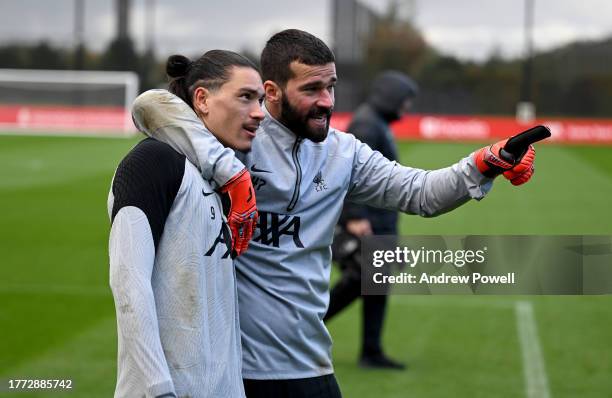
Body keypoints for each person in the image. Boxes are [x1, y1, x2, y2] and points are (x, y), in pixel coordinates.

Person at [132, 29, 537, 398]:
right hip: (235, 373)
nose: (326, 101)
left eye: (331, 86)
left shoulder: (344, 152)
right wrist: (231, 173)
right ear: (270, 91)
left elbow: (421, 193)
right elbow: (151, 106)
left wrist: (486, 162)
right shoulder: (232, 137)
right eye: (311, 89)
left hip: (310, 365)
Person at [108, 50, 264, 398]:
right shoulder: (152, 161)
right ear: (202, 99)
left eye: (261, 100)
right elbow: (128, 285)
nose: (259, 112)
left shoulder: (220, 175)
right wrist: (160, 389)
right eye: (246, 97)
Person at [324, 71, 418, 370]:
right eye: (404, 101)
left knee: (376, 284)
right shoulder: (367, 123)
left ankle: (371, 351)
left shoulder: (376, 122)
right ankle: (304, 327)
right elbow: (349, 171)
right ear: (390, 97)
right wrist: (355, 215)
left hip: (381, 221)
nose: (407, 108)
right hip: (370, 221)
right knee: (360, 279)